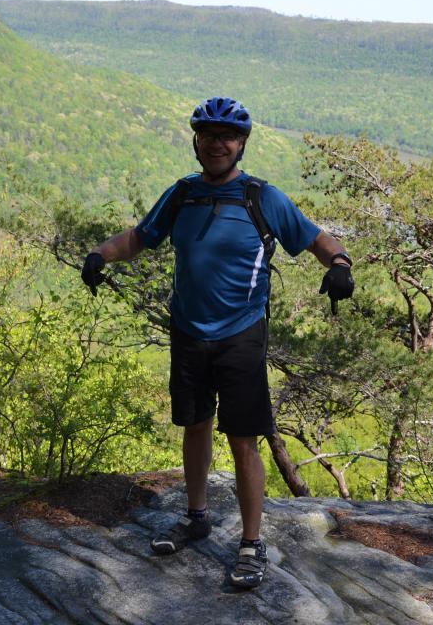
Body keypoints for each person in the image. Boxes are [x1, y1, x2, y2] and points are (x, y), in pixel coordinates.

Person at [80, 97, 354, 589]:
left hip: (241, 334)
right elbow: (141, 238)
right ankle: (196, 516)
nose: (218, 143)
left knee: (243, 439)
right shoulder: (182, 194)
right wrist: (101, 255)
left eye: (227, 136)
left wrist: (340, 265)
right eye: (209, 135)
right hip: (188, 329)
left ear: (242, 144)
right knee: (195, 424)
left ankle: (251, 543)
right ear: (197, 142)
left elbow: (316, 239)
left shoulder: (260, 197)